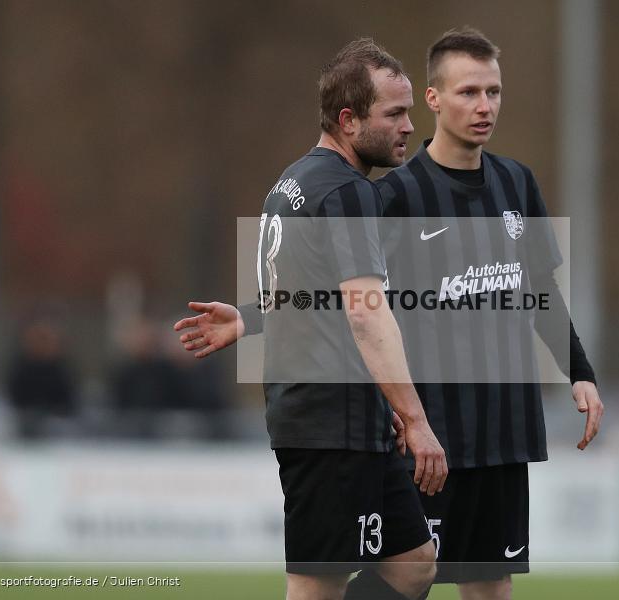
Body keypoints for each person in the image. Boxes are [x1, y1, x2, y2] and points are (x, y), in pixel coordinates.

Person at [174, 39, 446, 600]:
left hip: (347, 419)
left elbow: (308, 298)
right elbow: (368, 318)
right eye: (394, 113)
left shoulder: (293, 183)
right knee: (315, 587)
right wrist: (415, 419)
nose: (408, 126)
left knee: (414, 563)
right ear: (349, 121)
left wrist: (248, 320)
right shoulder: (347, 194)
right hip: (328, 422)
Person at [375, 28, 604, 599]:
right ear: (432, 99)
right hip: (431, 438)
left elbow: (541, 293)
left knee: (490, 583)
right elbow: (346, 293)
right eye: (469, 92)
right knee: (408, 578)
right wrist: (255, 317)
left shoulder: (516, 182)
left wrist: (579, 371)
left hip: (503, 430)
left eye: (494, 92)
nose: (485, 107)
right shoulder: (397, 196)